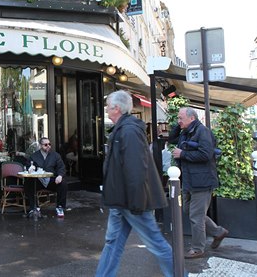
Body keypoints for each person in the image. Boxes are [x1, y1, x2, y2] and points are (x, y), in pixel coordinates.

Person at [95, 90, 173, 277]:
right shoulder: (123, 129)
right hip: (121, 201)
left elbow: (136, 169)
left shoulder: (128, 131)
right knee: (112, 242)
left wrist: (138, 203)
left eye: (107, 105)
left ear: (116, 108)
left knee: (156, 243)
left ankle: (180, 274)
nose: (105, 109)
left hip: (132, 202)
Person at [169, 107, 228, 259]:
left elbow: (206, 154)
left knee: (196, 216)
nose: (179, 120)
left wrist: (183, 154)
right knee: (189, 211)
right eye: (178, 118)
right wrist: (179, 124)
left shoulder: (203, 132)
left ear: (192, 118)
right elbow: (171, 138)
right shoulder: (186, 131)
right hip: (189, 180)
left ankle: (198, 248)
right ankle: (217, 231)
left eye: (181, 118)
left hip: (202, 180)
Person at [24, 137, 67, 218]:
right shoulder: (34, 156)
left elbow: (61, 167)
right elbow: (28, 165)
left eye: (49, 144)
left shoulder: (55, 155)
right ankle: (34, 207)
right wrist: (30, 168)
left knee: (63, 184)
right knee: (28, 183)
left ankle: (60, 207)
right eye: (46, 144)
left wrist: (60, 175)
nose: (48, 146)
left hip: (51, 180)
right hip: (39, 180)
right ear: (40, 146)